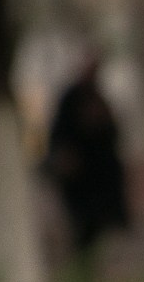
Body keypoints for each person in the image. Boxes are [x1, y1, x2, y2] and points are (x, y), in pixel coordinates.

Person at [43, 53, 131, 263]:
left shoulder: (99, 96)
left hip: (101, 179)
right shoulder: (71, 97)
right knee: (82, 230)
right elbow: (61, 136)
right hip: (80, 183)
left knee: (102, 230)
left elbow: (112, 134)